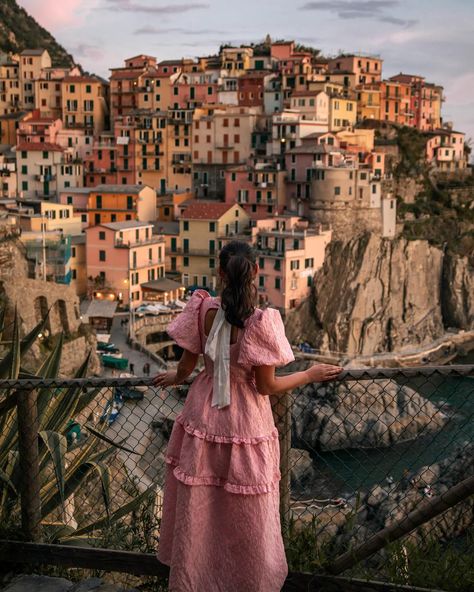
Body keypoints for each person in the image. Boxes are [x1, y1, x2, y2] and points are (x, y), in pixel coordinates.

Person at [153, 241, 342, 592]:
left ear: (220, 273)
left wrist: (173, 378)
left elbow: (186, 366)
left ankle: (196, 581)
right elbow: (266, 386)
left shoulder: (201, 310)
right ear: (256, 272)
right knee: (249, 513)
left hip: (202, 417)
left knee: (201, 507)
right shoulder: (261, 321)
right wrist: (309, 374)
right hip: (245, 423)